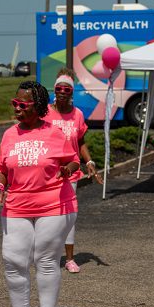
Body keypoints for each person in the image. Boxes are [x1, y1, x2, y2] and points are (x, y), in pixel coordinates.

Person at [0, 81, 79, 307]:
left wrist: (69, 169)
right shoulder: (9, 135)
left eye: (23, 105)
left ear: (38, 107)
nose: (17, 108)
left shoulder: (54, 133)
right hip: (17, 205)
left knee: (46, 259)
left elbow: (72, 160)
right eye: (14, 104)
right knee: (13, 260)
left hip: (54, 205)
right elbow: (2, 168)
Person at [49, 68, 99, 273]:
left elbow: (80, 141)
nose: (62, 92)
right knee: (49, 215)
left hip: (72, 173)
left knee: (69, 215)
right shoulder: (45, 113)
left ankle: (69, 259)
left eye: (66, 89)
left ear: (71, 93)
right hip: (49, 173)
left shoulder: (77, 115)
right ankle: (49, 257)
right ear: (54, 90)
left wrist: (90, 162)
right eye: (59, 88)